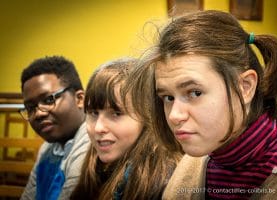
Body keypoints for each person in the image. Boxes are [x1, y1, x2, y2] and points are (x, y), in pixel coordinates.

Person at [124, 10, 277, 199]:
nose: (174, 115)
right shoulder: (192, 164)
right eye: (168, 97)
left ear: (245, 87)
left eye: (195, 93)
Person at [70, 58, 182, 200]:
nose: (98, 128)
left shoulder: (163, 183)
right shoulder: (95, 167)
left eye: (116, 114)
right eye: (93, 113)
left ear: (148, 117)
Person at [19, 56, 90, 200]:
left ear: (79, 99)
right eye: (30, 108)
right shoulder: (47, 148)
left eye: (48, 99)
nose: (38, 113)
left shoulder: (92, 144)